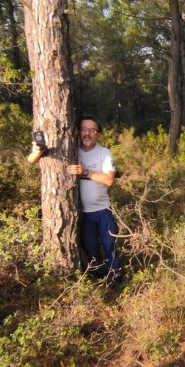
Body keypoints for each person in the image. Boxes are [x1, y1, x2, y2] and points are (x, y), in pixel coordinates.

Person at [28, 117, 120, 282]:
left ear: (98, 134)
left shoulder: (104, 153)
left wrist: (85, 172)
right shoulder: (70, 150)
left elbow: (109, 180)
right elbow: (31, 161)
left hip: (103, 210)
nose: (87, 133)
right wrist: (37, 151)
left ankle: (115, 279)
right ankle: (101, 278)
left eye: (92, 130)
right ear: (77, 131)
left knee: (109, 246)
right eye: (84, 129)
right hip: (82, 214)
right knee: (90, 248)